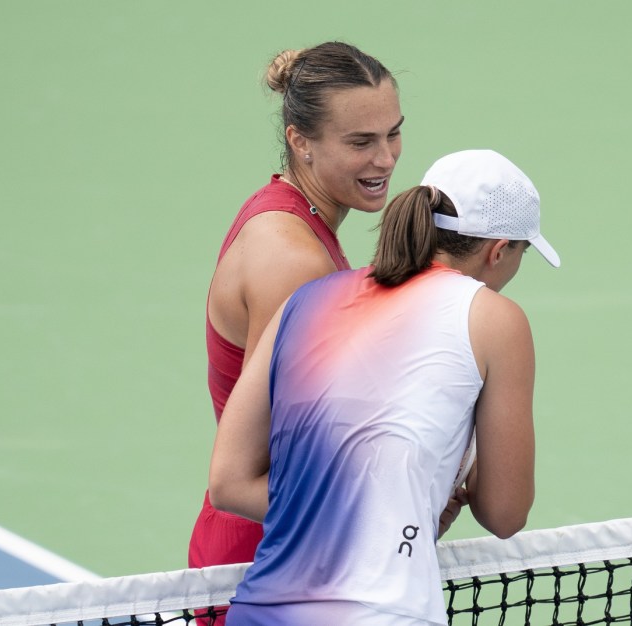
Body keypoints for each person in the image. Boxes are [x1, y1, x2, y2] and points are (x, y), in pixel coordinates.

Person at [209, 149, 561, 625]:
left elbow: (228, 484)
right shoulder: (497, 320)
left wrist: (382, 514)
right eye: (521, 254)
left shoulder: (303, 302)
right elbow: (504, 513)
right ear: (499, 251)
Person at [189, 41, 404, 574]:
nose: (385, 158)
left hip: (292, 541)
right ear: (300, 140)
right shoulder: (294, 260)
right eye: (361, 142)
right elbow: (268, 461)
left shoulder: (288, 216)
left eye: (393, 132)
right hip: (266, 559)